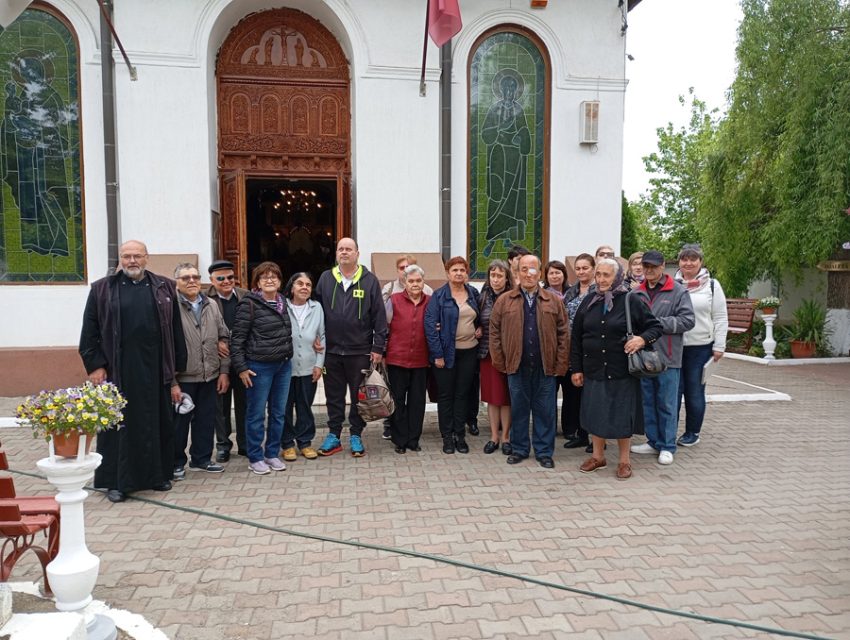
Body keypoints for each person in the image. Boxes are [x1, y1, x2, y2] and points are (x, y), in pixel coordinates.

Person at [79, 240, 187, 503]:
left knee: (156, 423)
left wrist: (175, 372)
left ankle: (157, 476)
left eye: (137, 256)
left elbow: (175, 330)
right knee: (119, 428)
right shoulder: (102, 289)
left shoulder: (164, 286)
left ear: (147, 257)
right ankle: (117, 482)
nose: (132, 261)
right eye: (126, 256)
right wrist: (95, 365)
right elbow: (89, 331)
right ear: (120, 258)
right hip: (118, 369)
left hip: (155, 368)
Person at [570, 258, 662, 480]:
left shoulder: (630, 299)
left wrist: (641, 339)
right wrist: (576, 368)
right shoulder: (589, 300)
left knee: (622, 415)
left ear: (618, 276)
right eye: (598, 274)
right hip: (593, 369)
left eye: (606, 275)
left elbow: (655, 327)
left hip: (621, 369)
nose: (601, 279)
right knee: (596, 414)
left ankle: (624, 461)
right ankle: (598, 457)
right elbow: (576, 337)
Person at [490, 254, 569, 468]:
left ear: (540, 273)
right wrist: (501, 361)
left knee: (545, 411)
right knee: (519, 410)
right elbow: (494, 332)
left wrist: (561, 363)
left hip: (546, 367)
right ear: (516, 273)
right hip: (516, 366)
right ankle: (519, 449)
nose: (528, 274)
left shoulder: (553, 300)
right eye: (523, 269)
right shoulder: (505, 300)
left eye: (532, 269)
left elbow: (563, 333)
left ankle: (544, 452)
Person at [314, 238, 387, 457]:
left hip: (360, 351)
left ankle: (356, 434)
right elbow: (315, 311)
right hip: (331, 351)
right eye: (341, 249)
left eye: (348, 249)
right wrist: (315, 337)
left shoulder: (369, 280)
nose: (344, 252)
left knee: (358, 397)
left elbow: (379, 317)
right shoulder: (326, 278)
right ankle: (334, 435)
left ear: (357, 253)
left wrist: (378, 347)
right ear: (336, 253)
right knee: (333, 396)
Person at [630, 250, 695, 466]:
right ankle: (653, 441)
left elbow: (688, 321)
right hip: (644, 357)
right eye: (646, 266)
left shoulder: (678, 291)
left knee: (667, 403)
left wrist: (656, 324)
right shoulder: (636, 292)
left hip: (668, 358)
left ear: (663, 266)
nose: (649, 270)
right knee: (648, 402)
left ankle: (667, 446)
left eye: (653, 266)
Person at [230, 262, 293, 475]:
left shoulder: (283, 301)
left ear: (280, 281)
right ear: (257, 282)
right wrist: (241, 368)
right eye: (264, 277)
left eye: (274, 276)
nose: (269, 280)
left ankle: (272, 453)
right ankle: (255, 457)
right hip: (259, 367)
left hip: (283, 365)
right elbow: (237, 339)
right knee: (256, 414)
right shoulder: (248, 304)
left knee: (278, 413)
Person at [172, 263, 230, 478]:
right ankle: (176, 463)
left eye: (195, 277)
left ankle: (202, 459)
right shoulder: (170, 307)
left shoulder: (211, 304)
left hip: (210, 374)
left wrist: (223, 371)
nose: (191, 281)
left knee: (206, 420)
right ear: (177, 283)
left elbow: (224, 337)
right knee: (179, 423)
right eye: (185, 278)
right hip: (183, 376)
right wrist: (171, 381)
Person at [425, 256, 481, 454]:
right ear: (447, 273)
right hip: (445, 354)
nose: (459, 273)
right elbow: (430, 327)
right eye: (455, 270)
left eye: (462, 270)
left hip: (469, 351)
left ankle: (460, 435)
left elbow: (481, 315)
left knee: (462, 394)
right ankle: (447, 437)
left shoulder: (473, 293)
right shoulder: (439, 296)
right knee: (446, 395)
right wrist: (438, 355)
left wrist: (480, 327)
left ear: (466, 273)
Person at [674, 243, 728, 447]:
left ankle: (692, 432)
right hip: (675, 347)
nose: (688, 263)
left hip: (700, 348)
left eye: (693, 259)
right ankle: (669, 432)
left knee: (694, 392)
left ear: (701, 262)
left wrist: (719, 345)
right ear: (679, 262)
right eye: (684, 259)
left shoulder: (711, 285)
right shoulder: (672, 284)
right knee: (673, 392)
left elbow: (720, 316)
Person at [380, 254, 433, 440]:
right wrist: (383, 353)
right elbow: (384, 327)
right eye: (411, 281)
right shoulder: (393, 300)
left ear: (423, 282)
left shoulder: (430, 301)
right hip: (397, 358)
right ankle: (399, 439)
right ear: (405, 282)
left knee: (417, 402)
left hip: (421, 359)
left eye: (418, 281)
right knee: (398, 400)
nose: (415, 284)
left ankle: (413, 438)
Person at [206, 259, 249, 462]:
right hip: (219, 360)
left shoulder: (245, 296)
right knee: (220, 406)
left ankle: (245, 443)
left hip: (243, 359)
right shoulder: (205, 299)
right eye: (221, 278)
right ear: (212, 280)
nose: (226, 281)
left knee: (245, 404)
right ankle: (223, 445)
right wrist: (215, 342)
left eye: (230, 277)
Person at [280, 272, 325, 462]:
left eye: (308, 284)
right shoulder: (282, 306)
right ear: (291, 287)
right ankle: (287, 444)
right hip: (284, 367)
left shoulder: (316, 307)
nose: (304, 287)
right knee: (284, 407)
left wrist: (319, 364)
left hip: (308, 365)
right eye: (300, 283)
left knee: (305, 406)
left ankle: (305, 442)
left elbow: (322, 336)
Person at [477, 260, 513, 455]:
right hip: (487, 354)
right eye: (493, 275)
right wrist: (477, 327)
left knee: (506, 397)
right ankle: (493, 436)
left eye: (500, 276)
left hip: (507, 354)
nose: (496, 279)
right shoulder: (482, 297)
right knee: (492, 397)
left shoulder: (513, 297)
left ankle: (506, 436)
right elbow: (476, 318)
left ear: (507, 278)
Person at [562, 253, 596, 450]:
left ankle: (596, 438)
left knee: (591, 395)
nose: (581, 272)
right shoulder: (571, 292)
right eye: (578, 268)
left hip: (592, 348)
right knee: (575, 393)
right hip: (572, 348)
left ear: (593, 269)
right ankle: (581, 434)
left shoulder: (599, 291)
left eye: (585, 268)